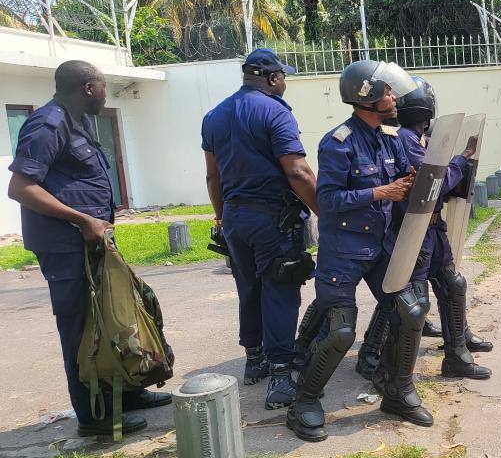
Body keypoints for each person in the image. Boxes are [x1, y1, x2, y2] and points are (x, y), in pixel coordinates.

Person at [6, 60, 172, 436]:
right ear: (87, 88)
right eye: (103, 86)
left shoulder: (76, 121)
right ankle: (95, 416)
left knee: (113, 318)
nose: (105, 93)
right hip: (68, 246)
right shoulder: (49, 124)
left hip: (92, 242)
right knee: (83, 328)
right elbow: (20, 188)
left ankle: (125, 393)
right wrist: (83, 220)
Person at [288, 59, 430, 443]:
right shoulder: (338, 143)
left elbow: (402, 179)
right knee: (341, 332)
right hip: (344, 251)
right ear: (367, 96)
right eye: (388, 91)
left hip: (380, 246)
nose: (394, 97)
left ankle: (398, 390)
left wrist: (414, 179)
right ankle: (304, 402)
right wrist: (380, 192)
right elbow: (328, 200)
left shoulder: (390, 136)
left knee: (410, 311)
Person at [201, 49, 319, 410]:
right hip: (272, 219)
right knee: (280, 288)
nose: (285, 83)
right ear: (272, 78)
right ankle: (281, 377)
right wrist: (325, 212)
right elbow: (297, 171)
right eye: (283, 77)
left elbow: (213, 176)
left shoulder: (214, 116)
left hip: (235, 218)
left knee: (249, 287)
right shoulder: (275, 112)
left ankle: (255, 359)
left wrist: (221, 219)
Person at [356, 76, 491, 383]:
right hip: (414, 230)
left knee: (452, 284)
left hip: (432, 226)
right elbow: (433, 184)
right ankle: (379, 362)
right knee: (409, 301)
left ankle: (457, 354)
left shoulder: (418, 138)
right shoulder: (404, 138)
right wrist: (462, 159)